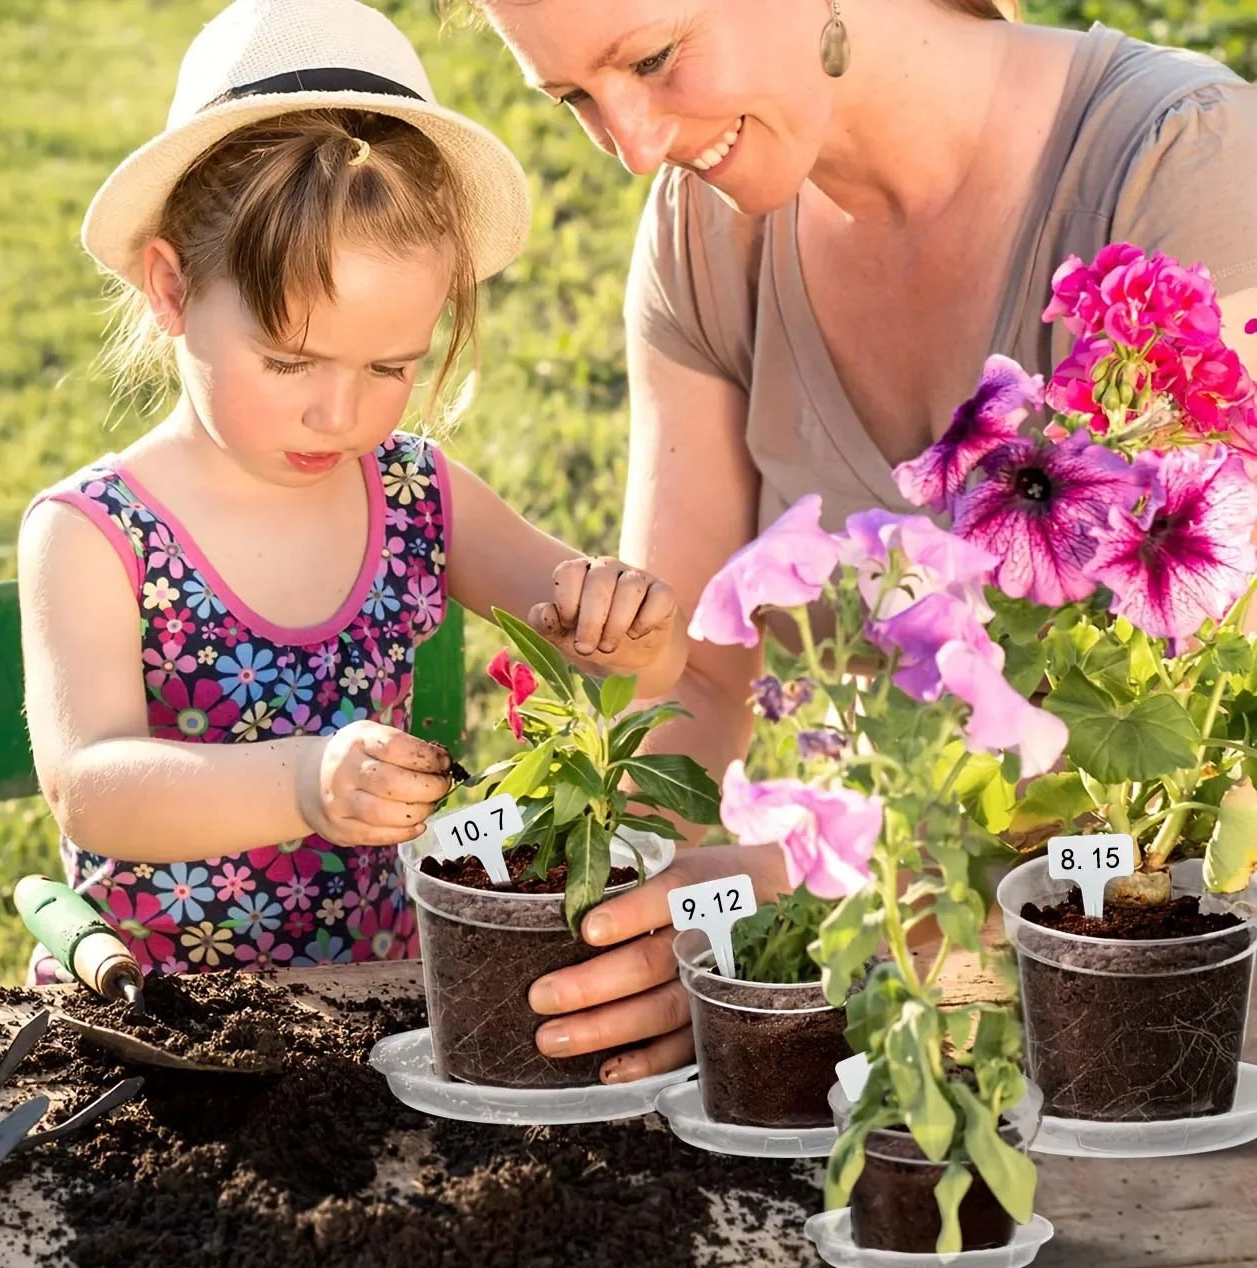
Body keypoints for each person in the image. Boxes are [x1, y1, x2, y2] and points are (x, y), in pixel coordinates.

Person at [467, 0, 1257, 1083]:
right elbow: (696, 678)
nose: (631, 144)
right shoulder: (704, 232)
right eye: (573, 101)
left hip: (1180, 1019)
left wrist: (804, 882)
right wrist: (630, 911)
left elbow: (1191, 756)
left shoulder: (1189, 167)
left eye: (652, 60)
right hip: (913, 1021)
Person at [19, 0, 689, 985]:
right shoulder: (97, 535)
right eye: (291, 360)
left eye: (389, 366)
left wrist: (636, 631)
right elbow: (93, 789)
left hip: (387, 1016)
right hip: (165, 1027)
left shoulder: (416, 493)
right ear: (168, 288)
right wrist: (302, 779)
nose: (340, 415)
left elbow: (619, 656)